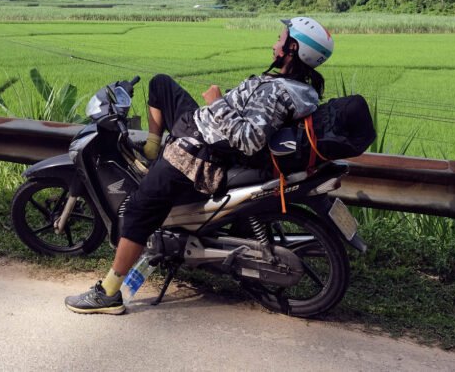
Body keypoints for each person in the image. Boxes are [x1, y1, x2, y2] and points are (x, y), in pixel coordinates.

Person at [64, 17, 333, 314]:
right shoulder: (294, 86)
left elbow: (248, 141)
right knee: (160, 83)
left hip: (198, 157)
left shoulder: (278, 92)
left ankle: (109, 294)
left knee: (139, 209)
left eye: (281, 38)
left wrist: (218, 103)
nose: (275, 43)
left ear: (293, 49)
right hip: (199, 131)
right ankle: (154, 149)